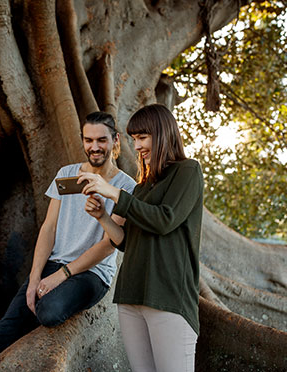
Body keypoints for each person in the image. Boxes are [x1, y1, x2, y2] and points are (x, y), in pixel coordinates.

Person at [0, 112, 136, 366]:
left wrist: (62, 275)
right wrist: (34, 280)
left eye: (101, 140)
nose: (94, 147)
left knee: (50, 312)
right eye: (88, 140)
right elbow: (49, 227)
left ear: (115, 140)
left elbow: (111, 244)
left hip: (92, 274)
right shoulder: (66, 175)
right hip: (55, 263)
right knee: (3, 333)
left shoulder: (126, 187)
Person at [80, 104, 203, 372]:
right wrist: (102, 216)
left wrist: (113, 193)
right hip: (131, 297)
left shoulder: (187, 171)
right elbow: (125, 242)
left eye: (142, 137)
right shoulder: (141, 187)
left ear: (162, 134)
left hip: (168, 298)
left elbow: (164, 220)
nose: (136, 146)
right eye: (134, 139)